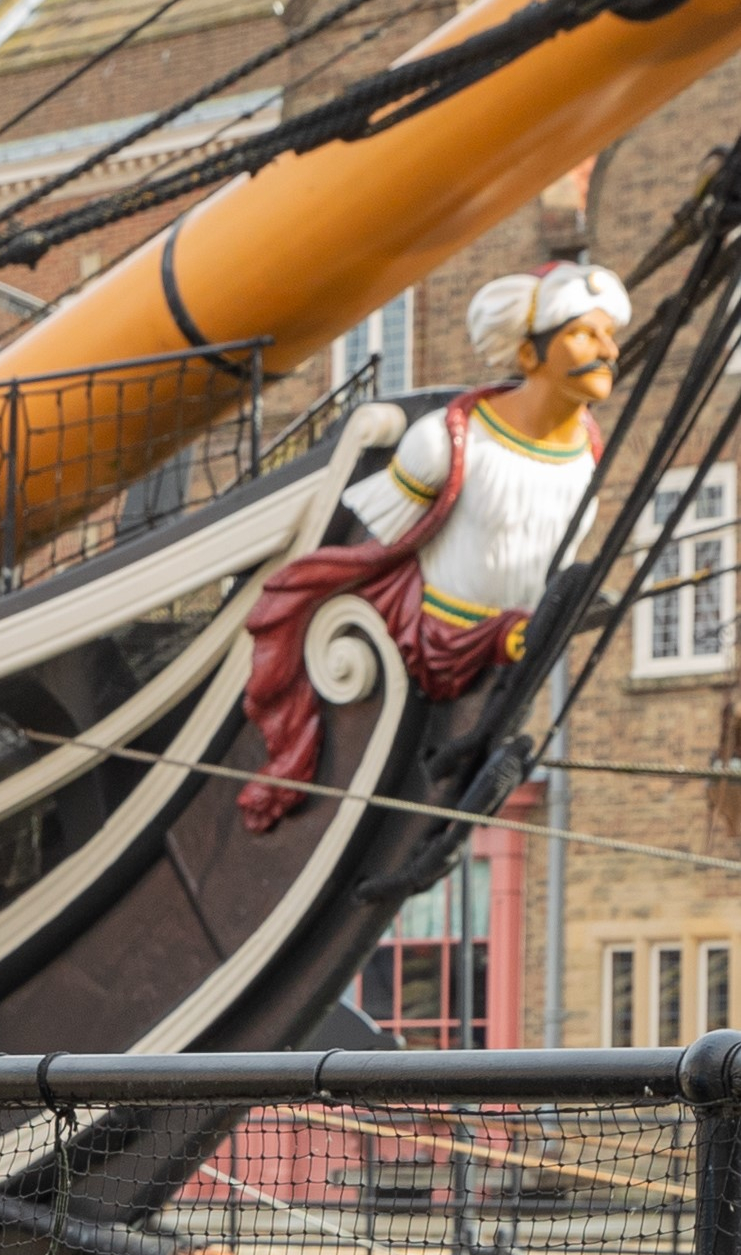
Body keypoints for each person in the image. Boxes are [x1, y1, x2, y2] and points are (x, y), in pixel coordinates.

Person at [240, 260, 630, 830]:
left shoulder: (588, 454)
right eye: (583, 333)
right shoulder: (444, 444)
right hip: (435, 644)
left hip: (512, 654)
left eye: (610, 335)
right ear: (529, 355)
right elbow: (377, 551)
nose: (608, 351)